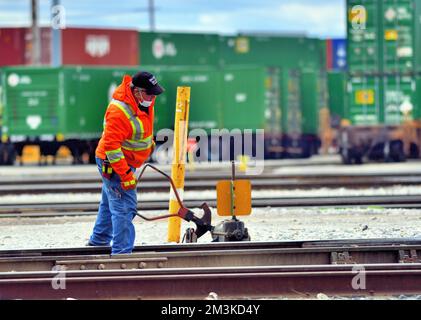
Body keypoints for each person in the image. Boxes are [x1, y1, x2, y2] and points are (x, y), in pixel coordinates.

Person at [88, 71, 164, 254]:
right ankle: (122, 253)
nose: (153, 97)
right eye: (149, 93)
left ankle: (98, 242)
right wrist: (125, 175)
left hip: (127, 159)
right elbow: (112, 148)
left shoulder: (144, 101)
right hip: (114, 162)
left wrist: (148, 145)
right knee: (124, 207)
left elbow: (139, 128)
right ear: (137, 91)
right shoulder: (118, 111)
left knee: (110, 203)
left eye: (155, 94)